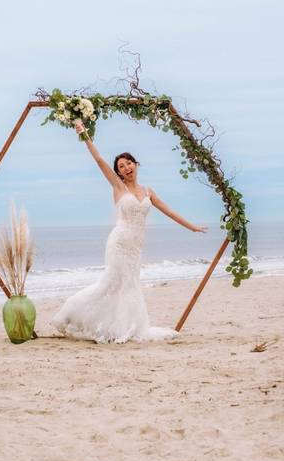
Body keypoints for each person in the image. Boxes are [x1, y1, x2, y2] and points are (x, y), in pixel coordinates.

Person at [51, 119, 207, 343]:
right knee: (110, 284)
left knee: (131, 288)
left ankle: (128, 328)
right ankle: (70, 315)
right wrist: (83, 133)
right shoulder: (118, 187)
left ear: (136, 164)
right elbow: (99, 160)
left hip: (135, 249)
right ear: (119, 173)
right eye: (121, 167)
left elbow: (169, 211)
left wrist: (191, 226)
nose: (126, 168)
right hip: (119, 244)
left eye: (129, 163)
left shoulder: (148, 191)